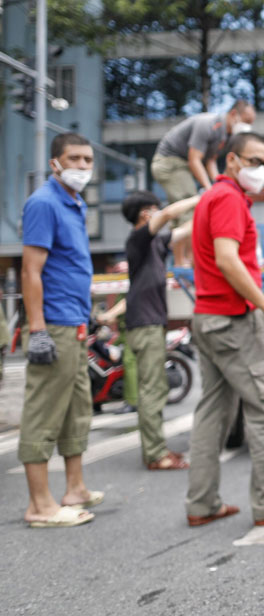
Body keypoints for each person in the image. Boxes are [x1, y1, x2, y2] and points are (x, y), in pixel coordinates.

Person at [186, 132, 264, 528]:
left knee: (213, 411)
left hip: (208, 318)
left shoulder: (213, 197)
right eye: (254, 161)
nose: (261, 170)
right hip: (232, 321)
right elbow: (227, 259)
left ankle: (201, 504)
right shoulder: (227, 199)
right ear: (232, 161)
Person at [18, 133, 102, 528]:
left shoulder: (75, 203)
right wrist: (37, 330)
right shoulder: (44, 203)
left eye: (87, 159)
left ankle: (75, 488)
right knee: (44, 411)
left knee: (75, 409)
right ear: (55, 163)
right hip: (53, 323)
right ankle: (40, 505)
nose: (83, 166)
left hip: (75, 321)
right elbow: (30, 271)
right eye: (74, 159)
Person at [99, 191, 200, 470]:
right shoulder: (139, 239)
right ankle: (156, 454)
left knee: (155, 388)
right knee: (152, 389)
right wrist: (201, 197)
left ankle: (158, 450)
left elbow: (183, 231)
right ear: (145, 214)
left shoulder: (155, 243)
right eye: (153, 209)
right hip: (144, 324)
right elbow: (168, 216)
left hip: (151, 322)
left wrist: (211, 205)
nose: (158, 213)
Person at [151, 100, 255, 266]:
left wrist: (219, 185)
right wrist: (209, 189)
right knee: (187, 207)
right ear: (234, 114)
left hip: (183, 164)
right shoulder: (207, 124)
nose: (248, 126)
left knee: (196, 206)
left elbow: (210, 161)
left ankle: (189, 258)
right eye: (247, 121)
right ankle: (182, 261)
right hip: (169, 162)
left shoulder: (225, 135)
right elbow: (194, 160)